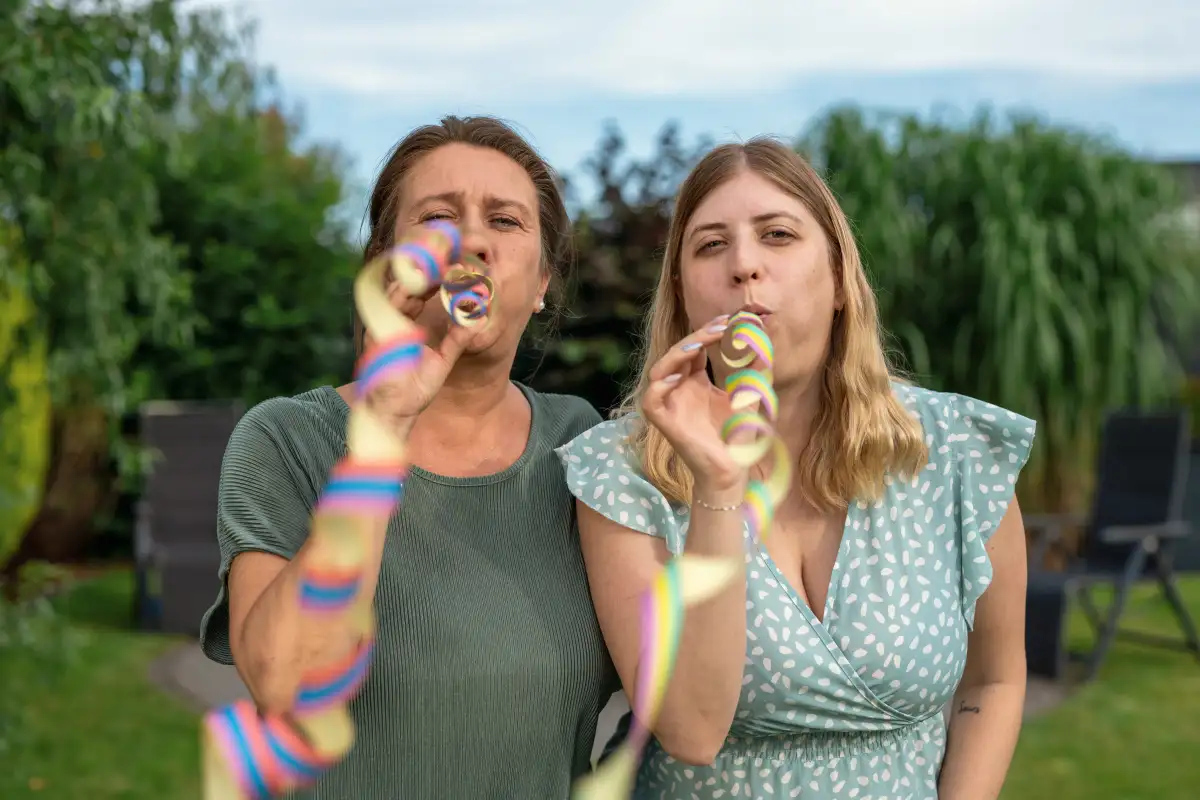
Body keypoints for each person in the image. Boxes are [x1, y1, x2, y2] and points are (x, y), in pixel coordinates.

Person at [556, 138, 1033, 799]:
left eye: (777, 235)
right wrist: (719, 483)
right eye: (710, 245)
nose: (745, 265)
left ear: (839, 278)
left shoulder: (955, 451)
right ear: (683, 292)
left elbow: (995, 681)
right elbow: (690, 729)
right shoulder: (623, 473)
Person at [199, 115, 618, 799]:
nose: (473, 240)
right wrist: (382, 430)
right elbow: (288, 684)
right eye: (438, 217)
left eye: (505, 221)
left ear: (542, 282)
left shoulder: (582, 447)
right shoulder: (286, 439)